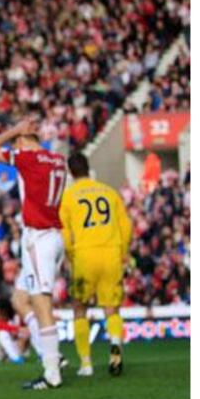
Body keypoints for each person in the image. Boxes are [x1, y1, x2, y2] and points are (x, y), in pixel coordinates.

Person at [0, 120, 67, 390]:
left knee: (41, 303)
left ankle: (52, 371)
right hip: (51, 235)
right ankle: (50, 354)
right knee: (20, 299)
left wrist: (13, 128)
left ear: (20, 141)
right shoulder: (58, 160)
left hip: (39, 238)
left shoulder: (27, 158)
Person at [59, 153, 132, 376]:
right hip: (111, 254)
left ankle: (86, 363)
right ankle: (115, 344)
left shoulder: (68, 196)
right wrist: (122, 251)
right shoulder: (109, 192)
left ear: (70, 172)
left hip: (84, 256)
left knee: (80, 308)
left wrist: (71, 256)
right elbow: (126, 225)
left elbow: (65, 233)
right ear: (88, 168)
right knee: (112, 308)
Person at [0, 298, 30, 364]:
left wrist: (17, 333)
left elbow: (26, 331)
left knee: (25, 334)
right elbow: (0, 325)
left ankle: (15, 356)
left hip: (11, 345)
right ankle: (15, 358)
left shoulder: (16, 318)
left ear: (5, 310)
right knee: (2, 332)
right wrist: (17, 329)